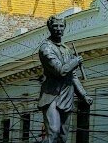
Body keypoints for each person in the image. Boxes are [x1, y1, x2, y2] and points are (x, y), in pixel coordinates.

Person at [37, 15, 91, 143]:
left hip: (67, 96)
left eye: (61, 26)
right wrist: (76, 61)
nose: (58, 29)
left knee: (63, 137)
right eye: (55, 26)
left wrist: (84, 95)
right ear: (50, 27)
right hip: (51, 96)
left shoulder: (67, 50)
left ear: (64, 28)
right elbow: (60, 71)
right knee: (53, 133)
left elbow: (73, 76)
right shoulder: (46, 48)